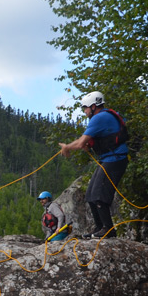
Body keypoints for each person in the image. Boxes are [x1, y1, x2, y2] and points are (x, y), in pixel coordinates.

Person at [59, 91, 129, 239]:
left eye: (85, 108)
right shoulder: (104, 117)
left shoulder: (99, 118)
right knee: (91, 194)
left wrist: (66, 147)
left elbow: (80, 143)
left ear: (93, 106)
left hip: (115, 159)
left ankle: (108, 229)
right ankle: (100, 228)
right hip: (109, 159)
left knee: (99, 194)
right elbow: (95, 140)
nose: (84, 112)